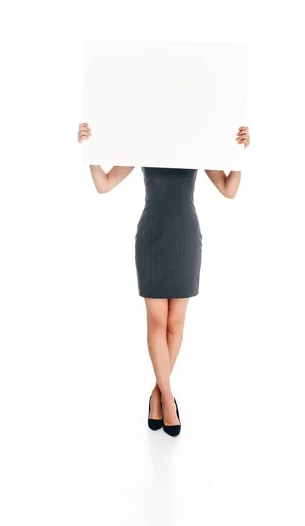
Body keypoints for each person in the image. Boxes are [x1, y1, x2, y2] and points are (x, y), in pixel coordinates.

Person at [77, 123, 251, 436]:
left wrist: (239, 153)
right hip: (152, 236)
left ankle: (157, 394)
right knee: (158, 322)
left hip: (185, 234)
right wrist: (89, 149)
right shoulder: (144, 141)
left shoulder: (197, 142)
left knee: (176, 324)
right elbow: (103, 184)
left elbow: (229, 189)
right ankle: (168, 400)